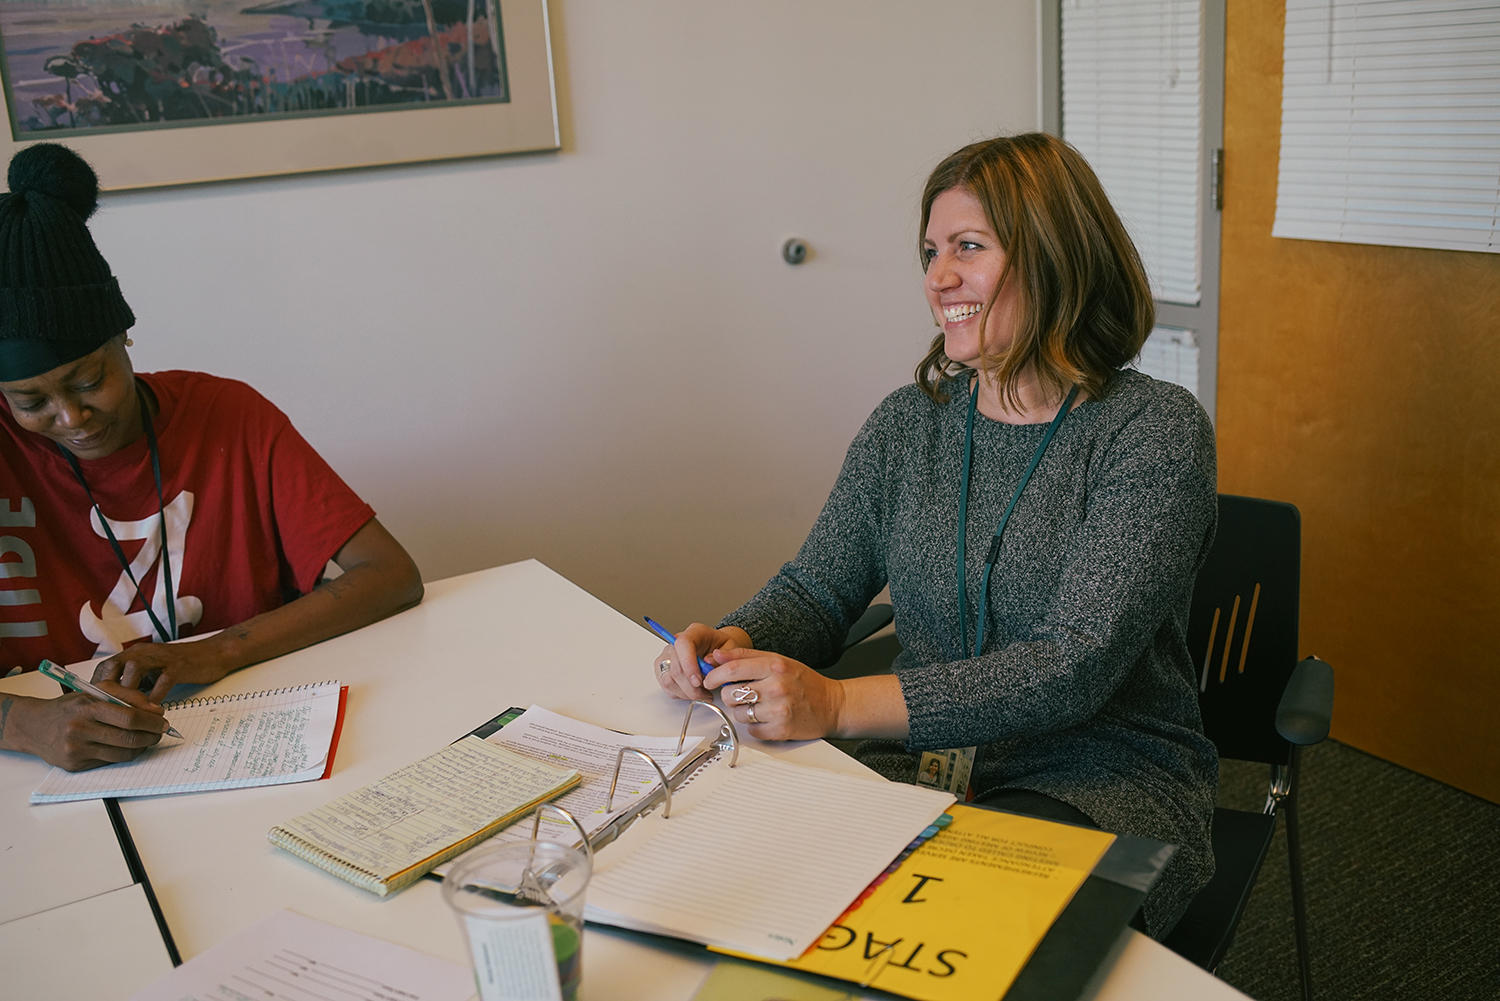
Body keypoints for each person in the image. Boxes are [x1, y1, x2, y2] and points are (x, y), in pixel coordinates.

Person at [652, 133, 1218, 938]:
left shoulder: (1152, 431)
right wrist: (734, 640)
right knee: (752, 894)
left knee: (957, 941)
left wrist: (835, 702)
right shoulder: (908, 425)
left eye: (968, 247)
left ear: (1054, 255)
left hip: (1097, 775)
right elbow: (818, 589)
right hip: (919, 760)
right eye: (930, 252)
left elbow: (1071, 667)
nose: (937, 277)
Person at [0, 143, 424, 772]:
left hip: (242, 737)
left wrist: (215, 651)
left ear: (123, 336)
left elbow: (390, 574)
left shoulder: (229, 416)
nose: (71, 417)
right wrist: (22, 723)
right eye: (30, 401)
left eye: (89, 381)